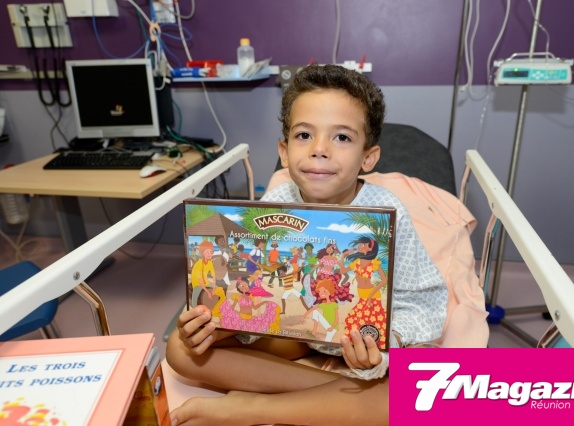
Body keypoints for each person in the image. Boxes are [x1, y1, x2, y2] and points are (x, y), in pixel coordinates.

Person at [166, 63, 448, 425]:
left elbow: (424, 302)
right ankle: (337, 393)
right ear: (284, 152)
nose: (319, 149)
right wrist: (217, 323)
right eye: (304, 135)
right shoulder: (274, 202)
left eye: (341, 138)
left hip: (364, 349)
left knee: (423, 390)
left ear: (368, 157)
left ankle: (248, 408)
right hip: (299, 337)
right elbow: (251, 285)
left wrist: (383, 344)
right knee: (180, 348)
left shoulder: (386, 213)